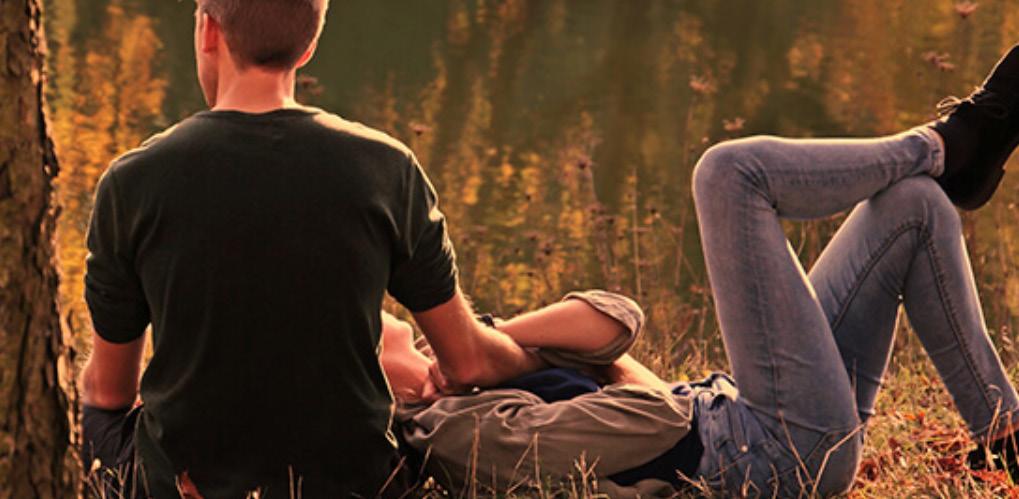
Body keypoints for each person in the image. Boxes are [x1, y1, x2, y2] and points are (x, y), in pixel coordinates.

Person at [384, 44, 1019, 497]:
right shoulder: (450, 432)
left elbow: (616, 321)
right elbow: (653, 421)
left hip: (761, 415)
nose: (384, 316)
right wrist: (516, 367)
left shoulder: (470, 368)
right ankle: (945, 145)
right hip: (775, 451)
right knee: (728, 174)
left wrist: (490, 347)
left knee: (914, 205)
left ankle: (1004, 432)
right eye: (371, 332)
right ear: (388, 387)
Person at [78, 1, 545, 497]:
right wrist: (534, 360)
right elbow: (468, 363)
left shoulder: (134, 181)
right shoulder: (386, 168)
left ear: (209, 31)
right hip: (359, 485)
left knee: (95, 411)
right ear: (309, 46)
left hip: (181, 486)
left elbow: (109, 391)